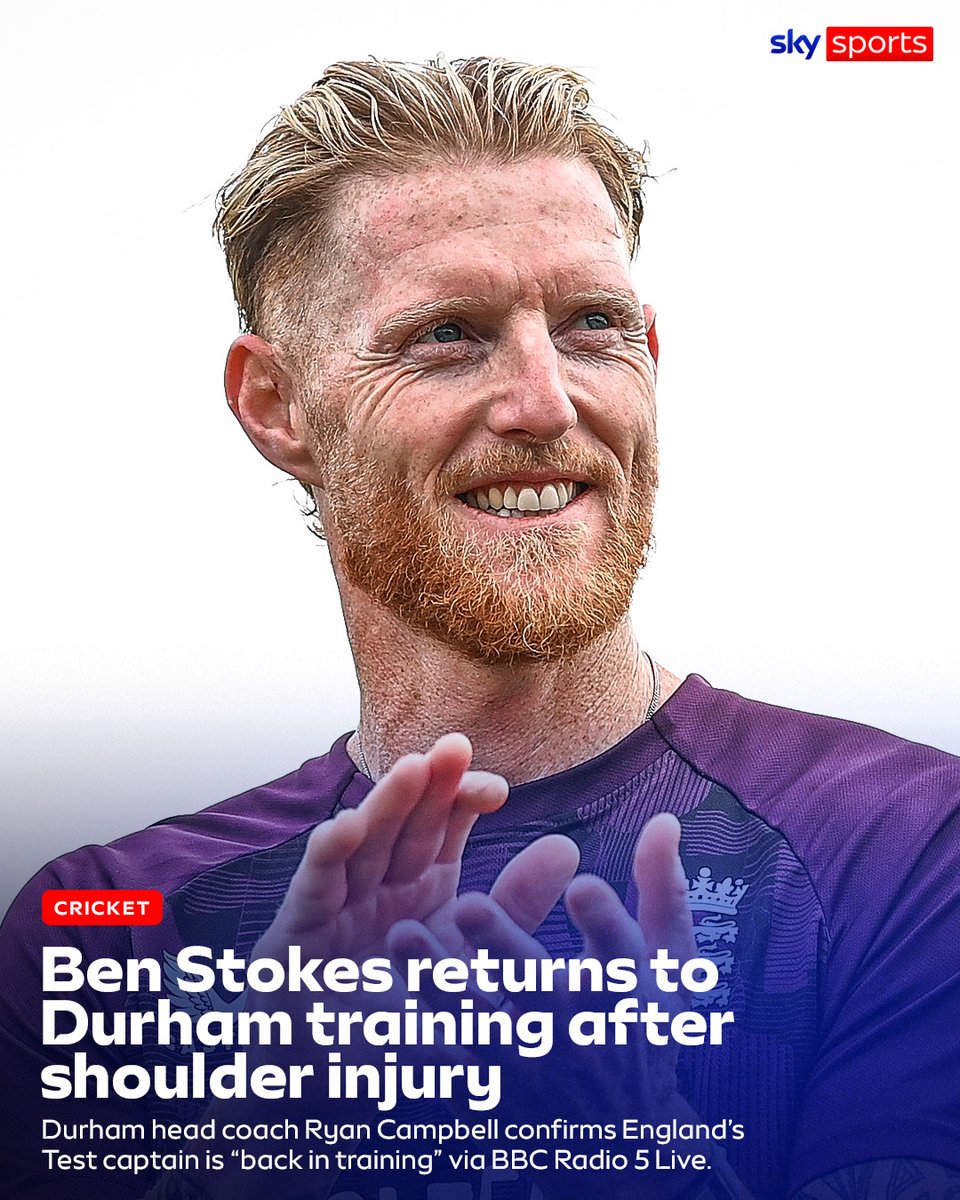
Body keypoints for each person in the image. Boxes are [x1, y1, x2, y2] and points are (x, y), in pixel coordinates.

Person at [2, 56, 959, 1200]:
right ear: (277, 405)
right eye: (449, 334)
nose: (547, 402)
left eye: (594, 324)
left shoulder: (902, 846)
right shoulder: (109, 929)